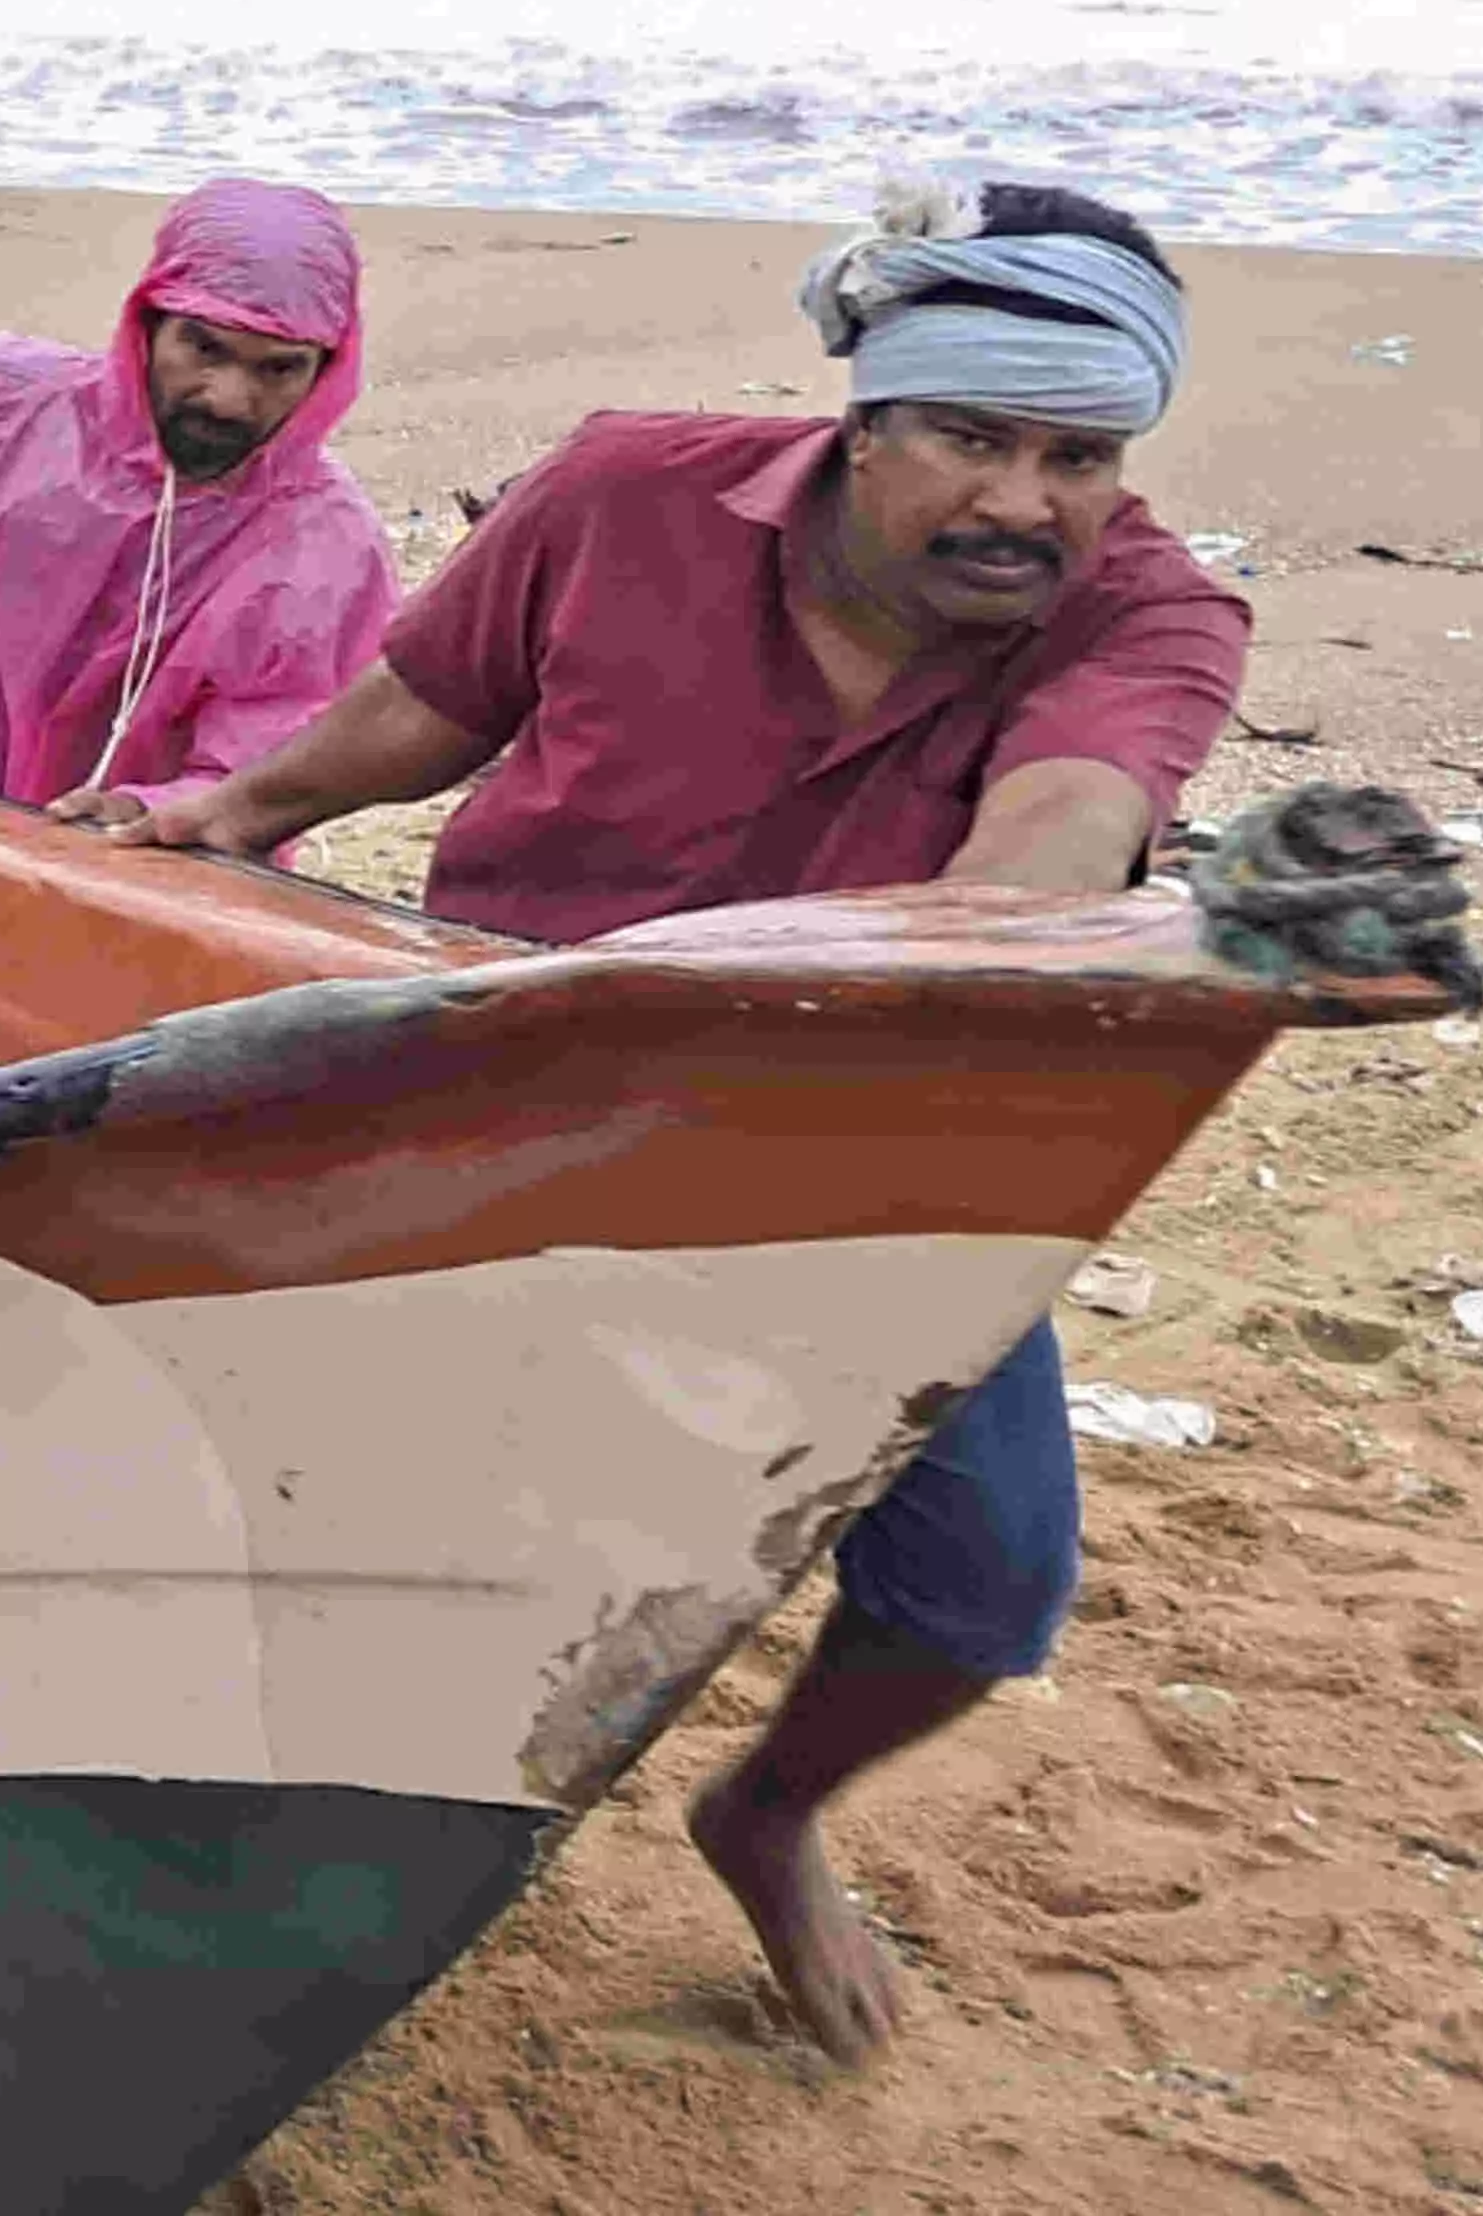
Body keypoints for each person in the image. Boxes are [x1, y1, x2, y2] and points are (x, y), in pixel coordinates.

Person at [95, 176, 1244, 2068]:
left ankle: (769, 1810)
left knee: (982, 1586)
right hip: (512, 1059)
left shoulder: (1157, 611)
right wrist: (224, 812)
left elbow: (1058, 834)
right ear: (860, 421)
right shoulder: (627, 488)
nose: (1024, 501)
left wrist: (990, 945)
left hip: (884, 1139)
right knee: (341, 1482)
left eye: (1078, 454)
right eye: (970, 436)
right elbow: (430, 701)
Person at [0, 179, 392, 812]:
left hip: (140, 870)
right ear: (147, 325)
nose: (227, 399)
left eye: (278, 368)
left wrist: (156, 809)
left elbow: (271, 758)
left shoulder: (325, 547)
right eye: (202, 346)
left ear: (325, 370)